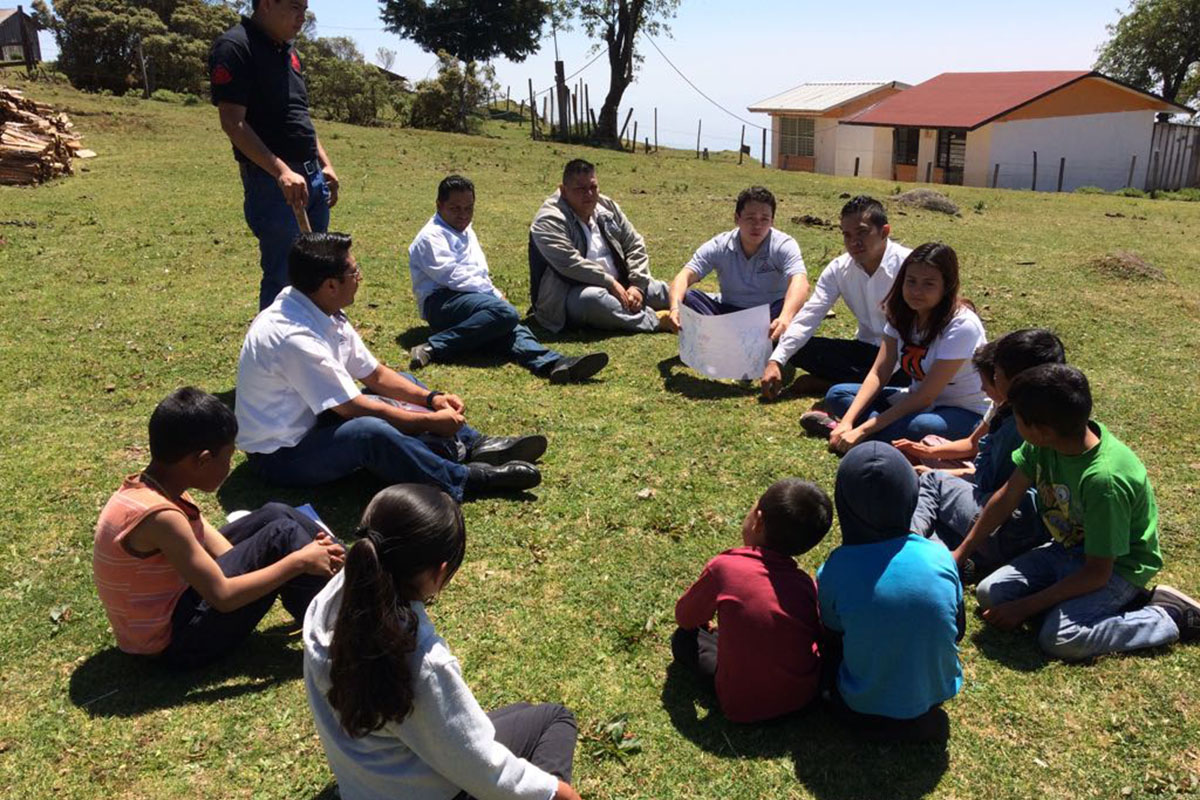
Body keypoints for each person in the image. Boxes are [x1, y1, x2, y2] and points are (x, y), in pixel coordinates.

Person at [304, 484, 583, 800]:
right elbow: (485, 770)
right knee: (554, 719)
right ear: (440, 572)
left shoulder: (327, 605)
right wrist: (556, 792)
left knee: (521, 713)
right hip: (428, 792)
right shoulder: (419, 660)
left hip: (365, 786)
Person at [236, 232, 545, 500]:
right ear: (331, 285)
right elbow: (354, 409)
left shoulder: (317, 306)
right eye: (355, 273)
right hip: (281, 455)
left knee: (403, 380)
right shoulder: (293, 335)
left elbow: (375, 374)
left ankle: (474, 443)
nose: (360, 279)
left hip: (316, 419)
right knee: (367, 432)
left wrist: (431, 399)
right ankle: (464, 479)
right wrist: (427, 422)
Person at [958, 364, 1200, 660]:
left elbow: (1098, 573)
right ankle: (1062, 606)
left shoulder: (1104, 481)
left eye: (1017, 418)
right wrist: (963, 551)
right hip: (1066, 548)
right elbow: (1007, 496)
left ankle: (1167, 615)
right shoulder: (1047, 443)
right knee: (990, 593)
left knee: (1060, 638)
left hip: (1117, 568)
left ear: (1042, 431)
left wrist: (1025, 606)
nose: (1013, 423)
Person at [93, 387, 345, 669]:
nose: (229, 465)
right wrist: (297, 562)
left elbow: (224, 552)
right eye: (227, 457)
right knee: (283, 536)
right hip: (174, 646)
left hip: (182, 604)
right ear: (202, 459)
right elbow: (223, 597)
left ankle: (357, 576)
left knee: (276, 514)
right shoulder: (161, 517)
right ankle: (343, 631)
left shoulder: (155, 488)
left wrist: (262, 560)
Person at [817, 442, 963, 742]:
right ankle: (915, 718)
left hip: (857, 708)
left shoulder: (834, 568)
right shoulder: (940, 556)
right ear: (911, 496)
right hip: (933, 699)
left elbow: (833, 636)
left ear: (844, 503)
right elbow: (957, 629)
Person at [407, 175, 609, 383]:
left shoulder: (465, 231)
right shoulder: (431, 237)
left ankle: (554, 363)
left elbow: (478, 272)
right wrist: (493, 295)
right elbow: (454, 277)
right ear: (439, 205)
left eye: (468, 208)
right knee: (504, 314)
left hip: (472, 300)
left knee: (508, 327)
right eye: (455, 208)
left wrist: (491, 295)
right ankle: (434, 346)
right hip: (441, 302)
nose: (463, 215)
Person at [210, 0, 340, 309]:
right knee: (284, 275)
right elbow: (233, 121)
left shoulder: (288, 51)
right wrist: (281, 170)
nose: (302, 17)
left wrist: (325, 165)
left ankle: (309, 349)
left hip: (311, 177)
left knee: (313, 272)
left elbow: (298, 117)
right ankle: (273, 355)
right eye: (295, 7)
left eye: (305, 9)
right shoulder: (236, 46)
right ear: (267, 4)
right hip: (274, 184)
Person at [907, 329, 1066, 581]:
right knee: (942, 516)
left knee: (932, 482)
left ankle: (906, 547)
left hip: (1011, 526)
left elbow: (989, 481)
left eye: (995, 374)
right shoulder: (1050, 417)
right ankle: (965, 558)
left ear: (1013, 381)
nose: (986, 382)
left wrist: (949, 471)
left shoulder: (1020, 425)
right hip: (1034, 529)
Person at [801, 242, 990, 453]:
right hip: (914, 400)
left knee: (921, 426)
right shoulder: (901, 313)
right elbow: (880, 372)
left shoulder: (962, 325)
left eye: (929, 284)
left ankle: (858, 436)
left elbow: (925, 396)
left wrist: (863, 429)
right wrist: (848, 420)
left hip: (962, 411)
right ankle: (853, 432)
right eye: (911, 281)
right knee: (838, 393)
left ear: (946, 286)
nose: (916, 291)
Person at [672, 478, 830, 724]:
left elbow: (685, 617)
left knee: (683, 638)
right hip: (801, 698)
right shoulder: (805, 585)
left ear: (757, 520)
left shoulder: (725, 568)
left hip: (741, 704)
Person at [762, 195, 912, 399]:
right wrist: (776, 361)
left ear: (884, 231)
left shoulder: (910, 266)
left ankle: (837, 384)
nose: (854, 242)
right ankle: (850, 385)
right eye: (847, 235)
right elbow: (810, 315)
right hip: (865, 351)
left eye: (862, 232)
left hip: (906, 357)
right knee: (786, 345)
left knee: (912, 374)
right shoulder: (839, 269)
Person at [529, 159, 671, 333]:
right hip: (569, 295)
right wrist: (610, 283)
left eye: (593, 187)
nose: (588, 194)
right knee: (594, 301)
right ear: (563, 191)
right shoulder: (549, 220)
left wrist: (636, 285)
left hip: (621, 283)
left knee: (659, 291)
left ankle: (709, 301)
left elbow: (634, 243)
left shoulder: (606, 207)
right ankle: (658, 320)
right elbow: (570, 264)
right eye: (580, 189)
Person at [665, 186, 809, 340]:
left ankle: (723, 338)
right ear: (737, 218)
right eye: (750, 218)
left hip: (768, 315)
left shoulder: (783, 244)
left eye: (764, 219)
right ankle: (730, 338)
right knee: (688, 297)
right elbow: (685, 275)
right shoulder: (720, 245)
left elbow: (800, 281)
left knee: (790, 307)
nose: (757, 225)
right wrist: (674, 308)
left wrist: (785, 318)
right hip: (728, 314)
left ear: (772, 222)